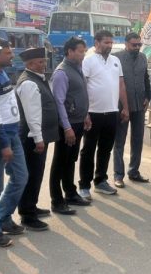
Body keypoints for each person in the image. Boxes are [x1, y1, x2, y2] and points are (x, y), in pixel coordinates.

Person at [0, 39, 27, 248]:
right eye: (7, 53)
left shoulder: (1, 73)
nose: (11, 56)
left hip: (12, 134)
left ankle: (3, 218)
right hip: (0, 138)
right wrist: (4, 144)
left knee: (20, 177)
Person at [80, 30, 130, 196]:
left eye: (111, 42)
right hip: (93, 113)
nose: (109, 45)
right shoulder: (88, 61)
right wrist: (85, 112)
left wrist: (125, 107)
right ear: (97, 42)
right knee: (88, 150)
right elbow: (83, 87)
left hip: (112, 112)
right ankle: (84, 186)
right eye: (106, 42)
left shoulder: (116, 60)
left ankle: (100, 181)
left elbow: (121, 85)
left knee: (105, 149)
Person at [16, 47, 61, 230]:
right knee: (32, 174)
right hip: (33, 138)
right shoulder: (29, 83)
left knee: (37, 173)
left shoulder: (37, 79)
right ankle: (27, 215)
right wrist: (38, 138)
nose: (44, 65)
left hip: (38, 136)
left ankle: (31, 206)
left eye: (44, 61)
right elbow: (32, 115)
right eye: (40, 62)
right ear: (30, 64)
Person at [50, 37, 92, 211]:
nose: (83, 54)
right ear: (70, 52)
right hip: (67, 126)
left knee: (71, 160)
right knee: (60, 161)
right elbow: (59, 102)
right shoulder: (62, 72)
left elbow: (80, 95)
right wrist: (67, 127)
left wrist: (86, 115)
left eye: (84, 51)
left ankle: (70, 193)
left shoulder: (78, 68)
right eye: (80, 51)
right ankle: (57, 200)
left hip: (78, 122)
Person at [113, 32, 151, 187]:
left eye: (139, 45)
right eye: (134, 45)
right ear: (126, 44)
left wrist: (148, 97)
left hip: (139, 106)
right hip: (122, 106)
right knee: (119, 141)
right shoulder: (116, 58)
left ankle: (134, 171)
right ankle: (118, 175)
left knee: (137, 140)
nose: (136, 47)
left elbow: (145, 78)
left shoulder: (142, 58)